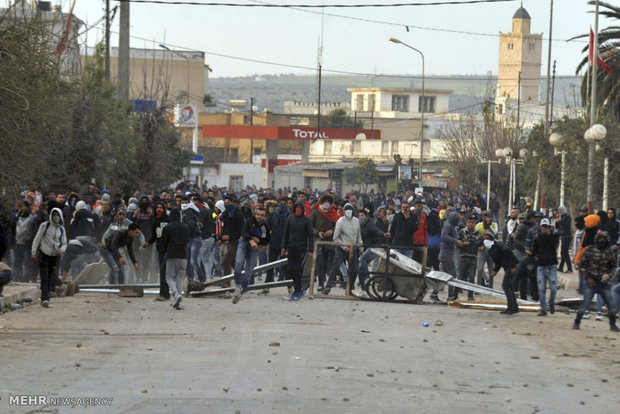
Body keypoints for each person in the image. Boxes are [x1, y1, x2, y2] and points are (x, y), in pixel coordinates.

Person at [573, 232, 619, 332]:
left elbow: (613, 267)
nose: (602, 241)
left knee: (611, 306)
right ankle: (577, 322)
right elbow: (582, 266)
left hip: (604, 284)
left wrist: (608, 276)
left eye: (604, 239)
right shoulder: (589, 250)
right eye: (600, 239)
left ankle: (613, 325)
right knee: (585, 305)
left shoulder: (609, 252)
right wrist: (587, 278)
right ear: (596, 239)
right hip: (591, 283)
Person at [232, 208, 270, 304]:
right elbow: (244, 232)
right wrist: (251, 239)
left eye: (261, 215)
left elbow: (266, 239)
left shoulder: (265, 226)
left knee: (249, 271)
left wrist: (262, 243)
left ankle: (241, 292)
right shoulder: (250, 220)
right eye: (258, 214)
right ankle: (237, 284)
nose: (259, 217)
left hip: (255, 248)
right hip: (244, 243)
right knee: (238, 263)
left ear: (264, 217)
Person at [323, 203, 363, 295]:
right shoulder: (340, 221)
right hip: (342, 248)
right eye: (347, 209)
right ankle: (328, 287)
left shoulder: (356, 221)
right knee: (336, 267)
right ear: (344, 211)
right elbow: (335, 237)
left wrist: (360, 246)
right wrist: (345, 247)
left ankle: (349, 289)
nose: (349, 211)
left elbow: (359, 235)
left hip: (353, 248)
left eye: (350, 209)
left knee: (355, 269)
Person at [31, 208, 67, 308]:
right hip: (43, 254)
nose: (56, 216)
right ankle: (45, 298)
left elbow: (64, 243)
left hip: (55, 256)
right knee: (44, 277)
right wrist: (34, 251)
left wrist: (61, 250)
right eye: (54, 214)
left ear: (60, 216)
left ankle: (46, 296)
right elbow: (37, 239)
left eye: (57, 215)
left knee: (51, 277)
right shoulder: (44, 225)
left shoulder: (62, 229)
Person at [281, 200, 314, 301]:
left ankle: (298, 290)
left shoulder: (306, 220)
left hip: (301, 249)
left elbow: (310, 236)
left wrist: (310, 250)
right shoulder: (290, 218)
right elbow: (286, 233)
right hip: (291, 247)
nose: (298, 209)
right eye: (297, 207)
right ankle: (296, 287)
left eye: (300, 208)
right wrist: (284, 246)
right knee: (290, 269)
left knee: (298, 270)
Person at [159, 208, 189, 310]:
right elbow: (187, 240)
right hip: (183, 255)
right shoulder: (185, 227)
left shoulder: (167, 228)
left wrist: (162, 251)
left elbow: (163, 243)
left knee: (169, 277)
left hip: (171, 254)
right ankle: (179, 301)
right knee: (180, 278)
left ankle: (176, 295)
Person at [484, 234, 520, 315]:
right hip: (507, 267)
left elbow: (509, 253)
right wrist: (495, 271)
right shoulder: (491, 250)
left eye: (487, 237)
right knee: (508, 286)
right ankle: (514, 307)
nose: (485, 239)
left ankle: (511, 308)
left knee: (506, 286)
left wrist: (513, 266)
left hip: (511, 266)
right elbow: (498, 262)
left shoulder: (498, 245)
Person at [311, 194, 339, 292]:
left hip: (329, 242)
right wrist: (317, 232)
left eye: (329, 202)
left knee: (328, 263)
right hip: (318, 241)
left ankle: (328, 282)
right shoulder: (315, 212)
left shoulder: (333, 213)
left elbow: (338, 225)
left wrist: (332, 230)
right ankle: (320, 283)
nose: (326, 204)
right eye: (325, 201)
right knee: (320, 262)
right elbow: (310, 226)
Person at [450, 214, 482, 301]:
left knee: (472, 277)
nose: (471, 224)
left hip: (473, 258)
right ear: (466, 223)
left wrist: (481, 247)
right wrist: (461, 243)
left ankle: (470, 296)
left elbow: (481, 244)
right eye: (469, 222)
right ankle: (455, 295)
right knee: (460, 277)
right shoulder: (461, 232)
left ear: (475, 223)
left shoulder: (478, 234)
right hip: (464, 258)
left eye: (472, 222)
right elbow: (457, 242)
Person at [532, 218, 559, 316]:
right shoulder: (538, 237)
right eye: (543, 226)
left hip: (551, 266)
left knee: (554, 288)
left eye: (546, 226)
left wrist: (549, 235)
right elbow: (534, 251)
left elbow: (555, 245)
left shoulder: (554, 236)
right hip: (541, 266)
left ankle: (551, 303)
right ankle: (543, 309)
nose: (544, 228)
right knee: (541, 289)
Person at [148, 202, 170, 302]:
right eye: (157, 208)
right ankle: (164, 293)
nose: (159, 209)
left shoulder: (168, 219)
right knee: (162, 271)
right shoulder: (154, 220)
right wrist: (147, 243)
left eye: (161, 207)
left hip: (168, 249)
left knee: (164, 270)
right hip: (159, 249)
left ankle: (165, 293)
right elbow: (154, 236)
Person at [438, 211, 459, 303]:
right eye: (455, 217)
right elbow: (444, 236)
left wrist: (453, 244)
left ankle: (434, 293)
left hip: (447, 252)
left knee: (444, 276)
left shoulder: (452, 227)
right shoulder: (448, 225)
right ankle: (451, 296)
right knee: (452, 275)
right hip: (445, 253)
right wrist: (455, 241)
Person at [475, 211, 499, 288]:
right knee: (479, 269)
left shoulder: (494, 225)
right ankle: (478, 287)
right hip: (481, 250)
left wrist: (489, 226)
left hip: (491, 251)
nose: (487, 219)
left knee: (491, 269)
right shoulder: (478, 225)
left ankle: (490, 287)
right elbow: (476, 237)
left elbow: (495, 235)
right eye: (485, 217)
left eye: (488, 217)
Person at [556, 206, 573, 273]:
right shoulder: (560, 217)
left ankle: (569, 268)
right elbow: (558, 227)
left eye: (561, 210)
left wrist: (560, 221)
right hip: (562, 236)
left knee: (564, 252)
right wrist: (557, 221)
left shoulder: (567, 217)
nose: (559, 211)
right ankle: (561, 267)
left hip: (567, 236)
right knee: (563, 252)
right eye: (559, 210)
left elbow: (566, 225)